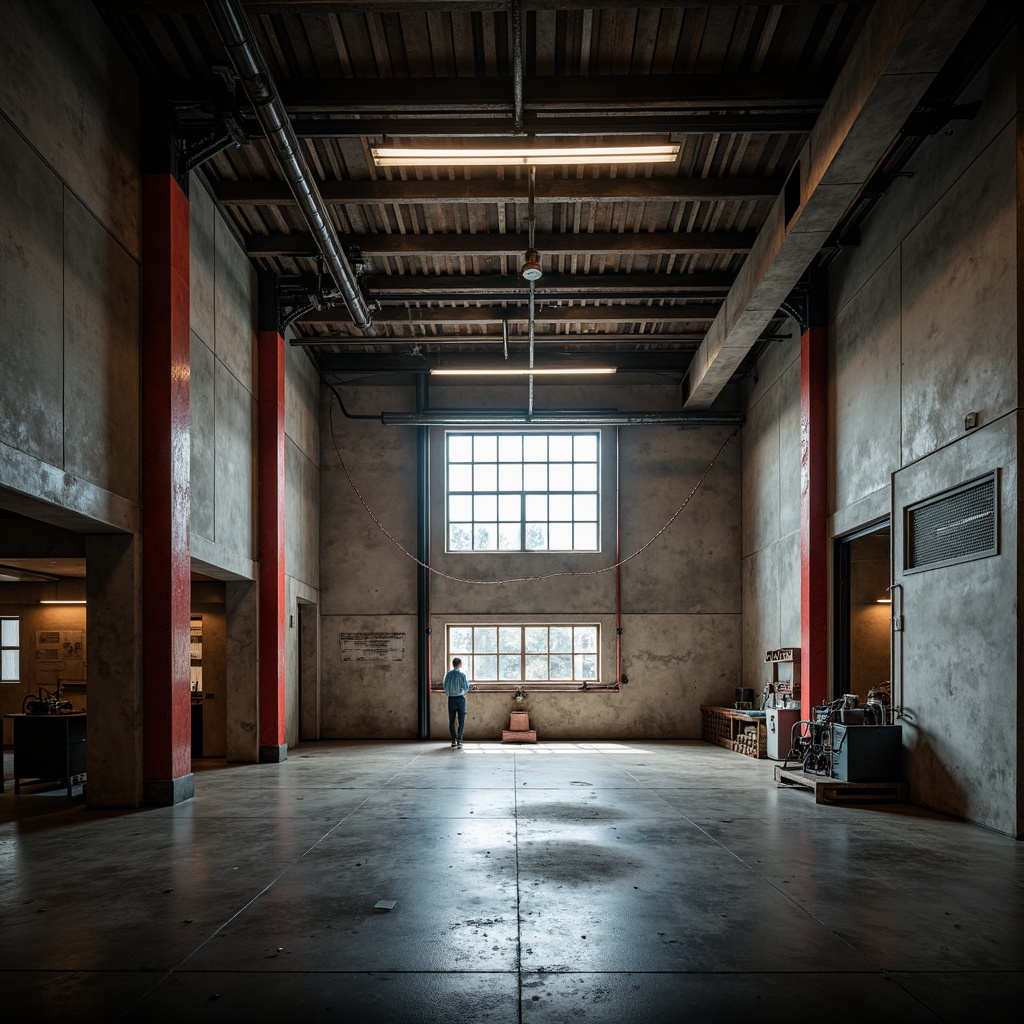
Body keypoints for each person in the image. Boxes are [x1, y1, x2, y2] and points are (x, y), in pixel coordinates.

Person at [442, 657, 471, 748]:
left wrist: (451, 692)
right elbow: (466, 688)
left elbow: (445, 688)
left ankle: (453, 740)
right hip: (460, 698)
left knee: (451, 721)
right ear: (460, 664)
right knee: (461, 721)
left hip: (451, 699)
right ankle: (459, 740)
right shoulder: (462, 675)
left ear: (452, 664)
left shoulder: (448, 674)